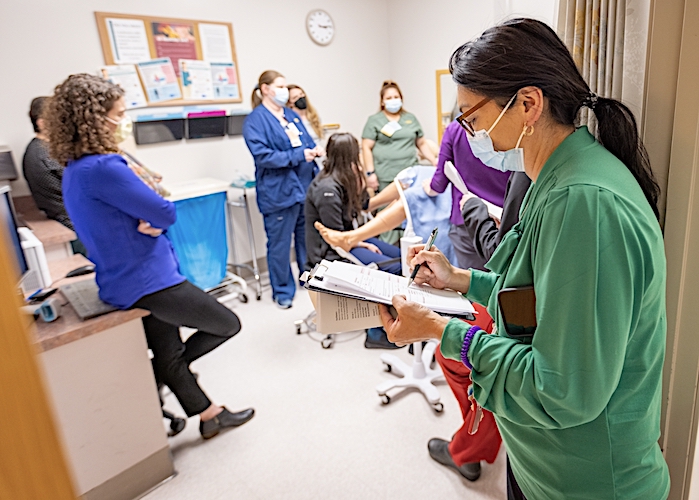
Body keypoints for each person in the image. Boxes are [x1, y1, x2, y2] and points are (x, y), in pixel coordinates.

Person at [379, 18, 669, 500]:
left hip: (588, 482)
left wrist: (439, 331)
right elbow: (543, 298)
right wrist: (463, 280)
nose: (468, 133)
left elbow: (563, 389)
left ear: (528, 104)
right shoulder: (555, 177)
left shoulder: (585, 202)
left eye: (470, 118)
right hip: (543, 467)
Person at [44, 74, 254, 440]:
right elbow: (165, 211)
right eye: (119, 114)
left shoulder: (76, 169)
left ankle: (209, 415)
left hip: (121, 277)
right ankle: (158, 377)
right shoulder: (104, 167)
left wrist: (151, 216)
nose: (123, 121)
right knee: (225, 323)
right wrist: (155, 217)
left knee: (168, 347)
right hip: (148, 280)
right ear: (95, 120)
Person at [243, 70, 323, 309]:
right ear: (265, 89)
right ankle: (282, 290)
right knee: (279, 244)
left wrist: (314, 149)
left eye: (285, 86)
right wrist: (300, 155)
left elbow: (306, 140)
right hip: (278, 192)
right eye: (280, 86)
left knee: (305, 239)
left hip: (303, 187)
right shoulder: (255, 121)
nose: (284, 91)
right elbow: (263, 156)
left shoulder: (289, 114)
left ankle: (307, 279)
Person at [305, 132, 401, 274]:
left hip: (350, 238)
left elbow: (363, 205)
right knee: (396, 268)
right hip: (334, 251)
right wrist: (362, 244)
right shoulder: (327, 189)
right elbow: (336, 237)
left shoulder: (345, 177)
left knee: (402, 257)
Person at [424, 119, 510, 270]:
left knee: (474, 286)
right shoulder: (510, 125)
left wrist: (427, 187)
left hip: (468, 223)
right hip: (508, 220)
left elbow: (438, 185)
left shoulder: (455, 129)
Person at [362, 81, 436, 244]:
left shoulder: (410, 119)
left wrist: (433, 160)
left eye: (396, 97)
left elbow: (421, 143)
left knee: (410, 215)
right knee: (386, 216)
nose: (393, 100)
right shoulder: (375, 120)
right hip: (386, 175)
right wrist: (370, 173)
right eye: (389, 97)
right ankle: (388, 255)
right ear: (382, 101)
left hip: (410, 176)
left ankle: (410, 253)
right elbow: (366, 147)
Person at [22, 97, 87, 256]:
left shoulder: (40, 149)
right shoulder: (45, 154)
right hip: (74, 225)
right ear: (42, 123)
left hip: (71, 219)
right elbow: (83, 183)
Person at [288, 84, 325, 151]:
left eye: (301, 94)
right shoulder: (289, 121)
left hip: (320, 156)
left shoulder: (313, 116)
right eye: (295, 97)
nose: (300, 98)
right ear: (290, 103)